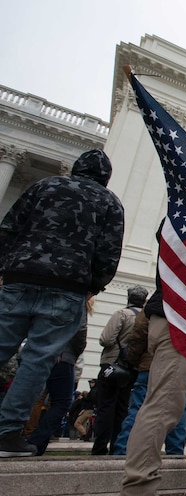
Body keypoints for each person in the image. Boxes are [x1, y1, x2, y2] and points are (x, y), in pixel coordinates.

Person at [0, 149, 124, 458]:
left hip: (19, 277)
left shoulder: (45, 186)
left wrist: (6, 269)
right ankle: (7, 432)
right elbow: (108, 253)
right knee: (38, 360)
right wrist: (92, 287)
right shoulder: (109, 202)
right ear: (105, 177)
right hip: (68, 287)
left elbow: (8, 228)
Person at [107, 222, 186, 496]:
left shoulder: (182, 216)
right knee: (161, 409)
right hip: (178, 318)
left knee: (162, 407)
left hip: (174, 315)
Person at [113, 309, 186, 456]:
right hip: (181, 366)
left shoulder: (152, 306)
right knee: (177, 411)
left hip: (149, 366)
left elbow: (138, 336)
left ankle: (123, 451)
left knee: (139, 409)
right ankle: (175, 454)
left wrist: (134, 360)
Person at [28, 296, 93, 455]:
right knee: (61, 402)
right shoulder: (77, 301)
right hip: (62, 357)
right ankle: (36, 441)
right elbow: (80, 332)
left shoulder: (47, 296)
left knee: (34, 398)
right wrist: (75, 353)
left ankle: (24, 434)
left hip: (38, 352)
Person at [92, 286, 147, 455]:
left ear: (128, 298)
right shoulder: (146, 318)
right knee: (123, 408)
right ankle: (118, 445)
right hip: (131, 368)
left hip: (112, 364)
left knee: (105, 406)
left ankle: (100, 446)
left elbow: (106, 339)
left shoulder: (122, 314)